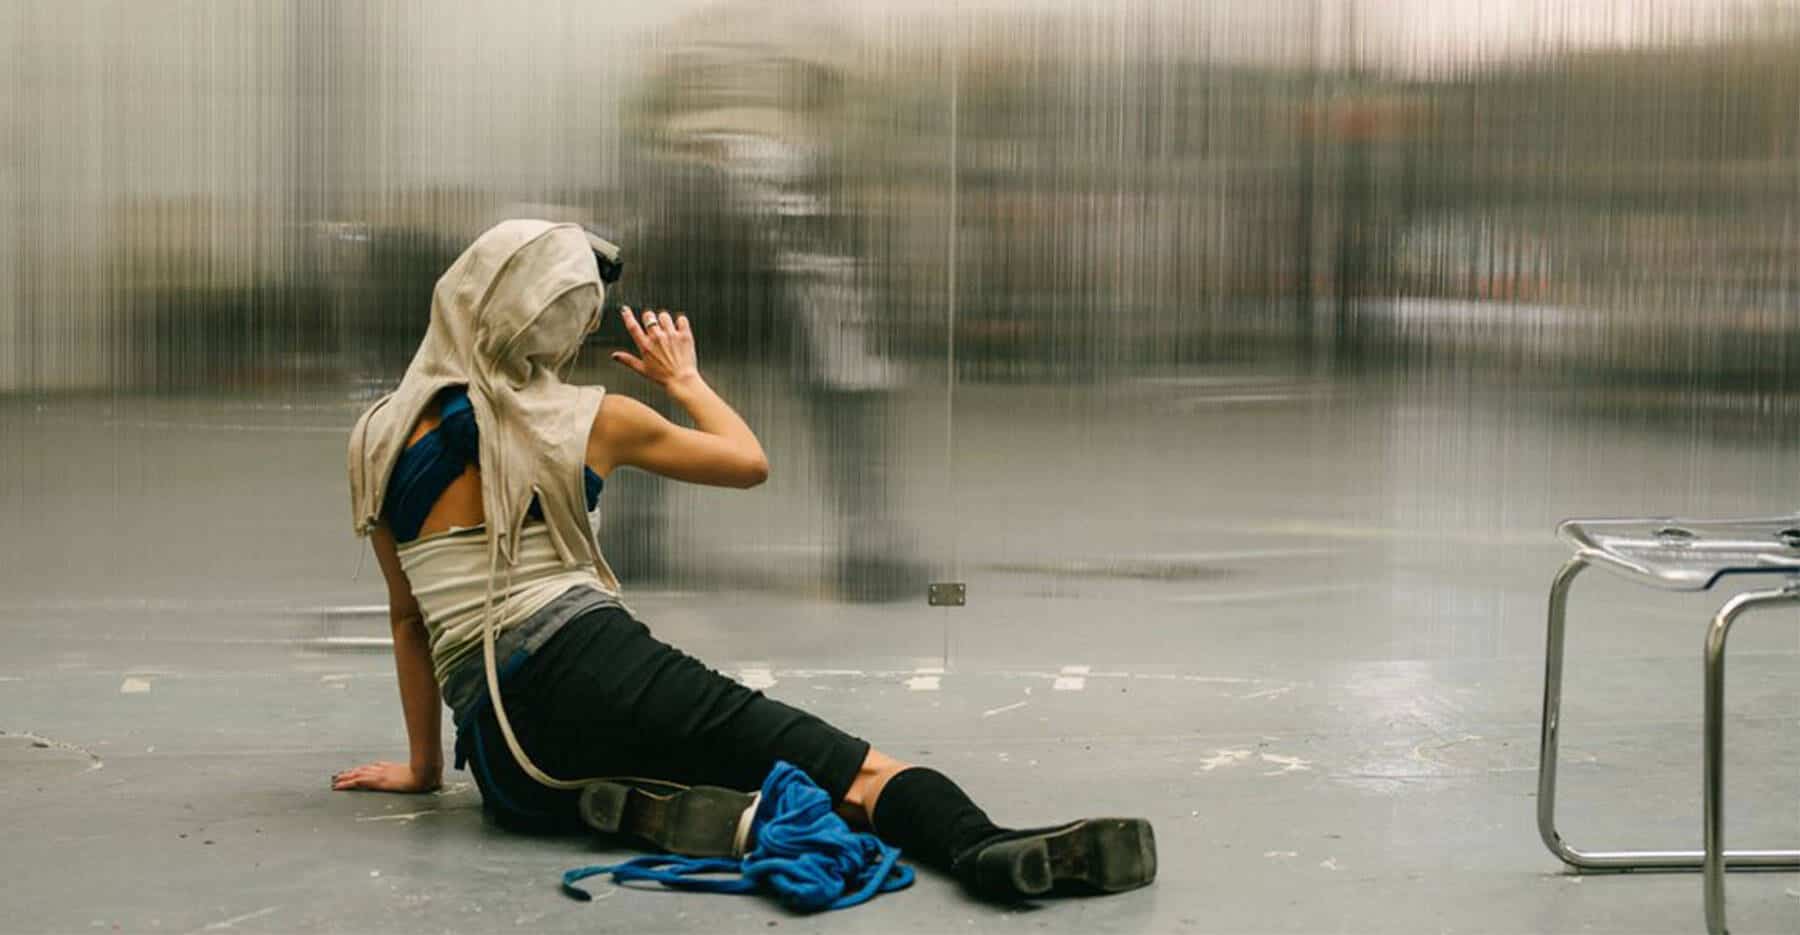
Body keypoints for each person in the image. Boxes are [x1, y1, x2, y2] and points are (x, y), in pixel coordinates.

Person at [334, 220, 1155, 900]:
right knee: (860, 774)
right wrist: (683, 378)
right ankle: (981, 846)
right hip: (598, 664)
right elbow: (747, 460)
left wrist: (424, 768)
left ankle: (675, 808)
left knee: (608, 769)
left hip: (502, 756)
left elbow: (410, 620)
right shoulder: (592, 419)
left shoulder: (376, 437)